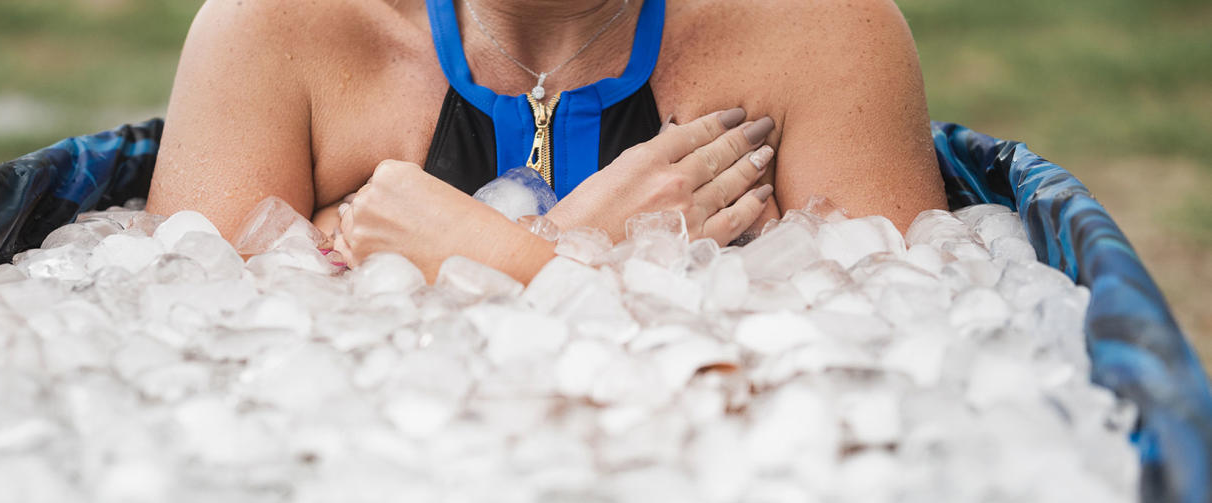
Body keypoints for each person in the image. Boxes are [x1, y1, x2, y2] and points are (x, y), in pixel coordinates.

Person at [147, 0, 946, 281]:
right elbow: (192, 376)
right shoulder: (277, 31)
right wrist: (575, 256)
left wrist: (484, 258)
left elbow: (888, 370)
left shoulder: (819, 31)